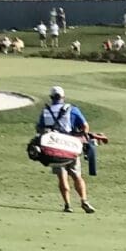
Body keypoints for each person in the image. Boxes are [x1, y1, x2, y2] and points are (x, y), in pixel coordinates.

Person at [37, 85, 95, 214]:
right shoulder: (72, 109)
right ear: (63, 97)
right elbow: (85, 126)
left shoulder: (45, 111)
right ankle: (84, 200)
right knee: (76, 175)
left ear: (51, 97)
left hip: (53, 147)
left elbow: (39, 129)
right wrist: (82, 138)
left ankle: (67, 204)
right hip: (70, 146)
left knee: (62, 176)